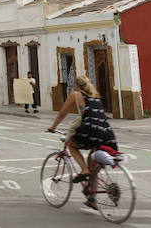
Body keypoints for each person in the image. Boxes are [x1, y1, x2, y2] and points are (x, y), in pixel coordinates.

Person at [48, 75, 118, 208]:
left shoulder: (76, 94)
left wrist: (53, 127)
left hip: (90, 129)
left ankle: (84, 170)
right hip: (106, 132)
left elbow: (62, 113)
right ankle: (92, 199)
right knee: (93, 165)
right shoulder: (95, 95)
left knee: (71, 144)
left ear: (76, 85)